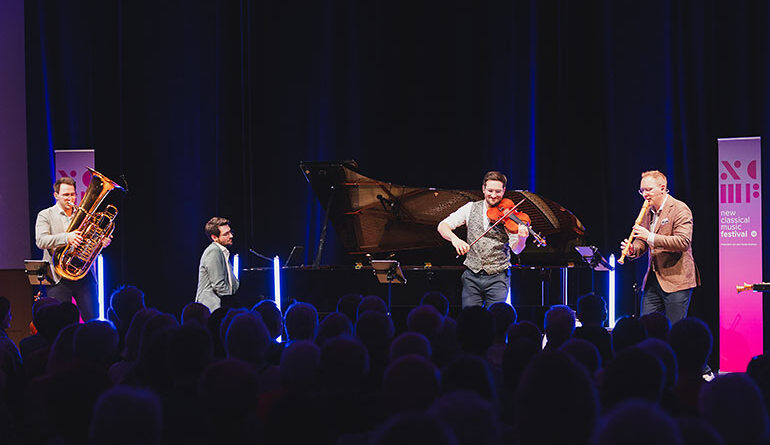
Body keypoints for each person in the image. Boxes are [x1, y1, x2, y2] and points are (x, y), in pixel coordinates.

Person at [438, 171, 528, 308]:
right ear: (483, 189)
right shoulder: (470, 208)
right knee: (470, 318)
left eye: (498, 191)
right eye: (490, 190)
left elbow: (516, 250)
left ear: (504, 191)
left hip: (498, 277)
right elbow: (442, 226)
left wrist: (522, 239)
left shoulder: (510, 215)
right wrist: (455, 240)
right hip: (471, 276)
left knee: (497, 320)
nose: (493, 195)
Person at [620, 170, 700, 324]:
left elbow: (683, 242)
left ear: (662, 188)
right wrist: (632, 250)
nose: (645, 194)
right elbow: (641, 243)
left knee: (674, 330)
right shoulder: (647, 210)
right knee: (645, 326)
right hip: (653, 279)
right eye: (642, 190)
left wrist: (649, 236)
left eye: (648, 190)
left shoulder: (679, 209)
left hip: (677, 279)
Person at [35, 176, 108, 321]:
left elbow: (90, 241)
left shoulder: (84, 215)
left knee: (93, 318)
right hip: (58, 276)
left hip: (83, 275)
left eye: (73, 194)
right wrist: (66, 238)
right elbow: (41, 241)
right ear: (56, 195)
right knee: (60, 321)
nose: (71, 198)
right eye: (66, 195)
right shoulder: (45, 215)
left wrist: (100, 241)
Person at [195, 217, 239, 311]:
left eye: (230, 232)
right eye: (226, 234)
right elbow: (219, 285)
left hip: (220, 305)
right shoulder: (214, 251)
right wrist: (233, 301)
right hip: (211, 308)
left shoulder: (222, 252)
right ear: (214, 237)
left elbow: (232, 283)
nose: (231, 236)